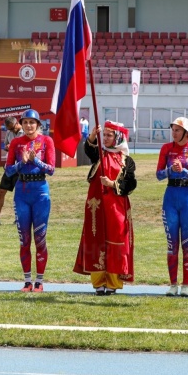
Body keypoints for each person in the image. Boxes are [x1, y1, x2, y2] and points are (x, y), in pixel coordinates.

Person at [73, 121, 137, 295]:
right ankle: (98, 282)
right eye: (105, 135)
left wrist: (112, 184)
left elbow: (131, 184)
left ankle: (113, 282)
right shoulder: (100, 154)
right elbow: (89, 150)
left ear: (118, 138)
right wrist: (92, 136)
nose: (106, 138)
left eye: (110, 135)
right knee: (96, 239)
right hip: (96, 207)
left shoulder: (127, 160)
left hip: (116, 207)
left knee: (116, 241)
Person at [5, 109, 55, 292]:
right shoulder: (16, 143)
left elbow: (51, 170)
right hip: (22, 193)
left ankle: (39, 282)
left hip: (41, 192)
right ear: (21, 124)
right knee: (24, 239)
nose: (28, 126)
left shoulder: (47, 141)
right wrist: (22, 163)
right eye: (25, 122)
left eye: (32, 123)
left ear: (38, 125)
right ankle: (27, 282)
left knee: (40, 238)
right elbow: (8, 170)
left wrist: (36, 161)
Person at [156, 117, 188, 297]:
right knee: (172, 244)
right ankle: (173, 284)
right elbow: (158, 175)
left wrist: (184, 171)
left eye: (177, 130)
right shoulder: (166, 148)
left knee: (187, 243)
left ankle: (186, 284)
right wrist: (170, 171)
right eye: (173, 130)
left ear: (187, 133)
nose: (173, 133)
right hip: (170, 197)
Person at [0, 116, 23, 225]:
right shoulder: (9, 132)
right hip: (10, 166)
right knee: (1, 191)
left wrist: (13, 146)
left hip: (21, 167)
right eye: (9, 129)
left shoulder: (25, 132)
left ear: (17, 123)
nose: (11, 131)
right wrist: (7, 147)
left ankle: (19, 218)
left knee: (20, 194)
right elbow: (5, 146)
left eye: (12, 128)